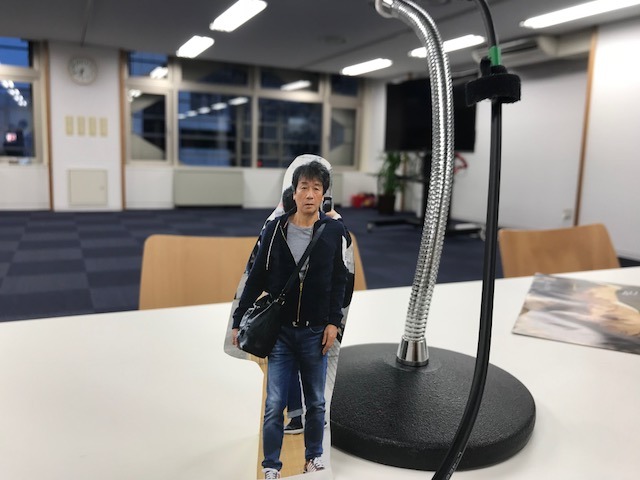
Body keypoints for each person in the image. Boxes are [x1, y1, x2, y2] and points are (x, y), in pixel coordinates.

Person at [231, 160, 349, 479]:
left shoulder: (334, 231)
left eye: (316, 188)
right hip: (280, 333)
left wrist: (333, 322)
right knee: (274, 404)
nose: (309, 194)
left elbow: (339, 280)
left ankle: (313, 458)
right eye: (304, 188)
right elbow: (256, 276)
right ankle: (271, 465)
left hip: (315, 333)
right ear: (293, 193)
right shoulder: (275, 230)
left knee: (316, 402)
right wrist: (238, 319)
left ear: (323, 195)